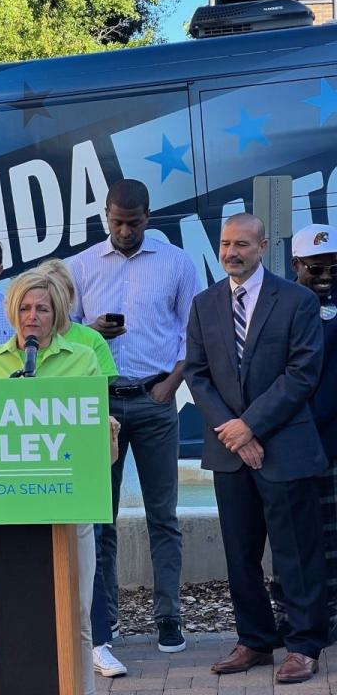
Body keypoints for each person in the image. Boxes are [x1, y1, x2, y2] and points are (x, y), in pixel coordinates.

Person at [183, 213, 329, 684]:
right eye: (226, 243)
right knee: (240, 553)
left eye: (242, 244)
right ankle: (254, 641)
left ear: (264, 246)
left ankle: (305, 645)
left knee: (297, 551)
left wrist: (250, 426)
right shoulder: (204, 304)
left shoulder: (297, 300)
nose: (231, 252)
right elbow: (197, 374)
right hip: (229, 449)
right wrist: (233, 430)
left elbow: (302, 374)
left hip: (284, 446)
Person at [68, 178, 200, 652]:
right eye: (117, 221)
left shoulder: (177, 263)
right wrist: (92, 331)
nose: (125, 230)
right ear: (106, 215)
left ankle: (169, 617)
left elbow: (194, 333)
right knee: (99, 518)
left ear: (149, 215)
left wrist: (171, 386)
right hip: (98, 404)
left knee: (162, 515)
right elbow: (65, 335)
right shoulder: (80, 266)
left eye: (134, 221)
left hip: (155, 399)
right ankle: (106, 621)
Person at [0, 270, 109, 695]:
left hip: (69, 506)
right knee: (9, 615)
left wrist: (106, 430)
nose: (33, 317)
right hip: (6, 512)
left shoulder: (83, 359)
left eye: (43, 309)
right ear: (13, 312)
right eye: (25, 308)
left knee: (77, 615)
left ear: (57, 314)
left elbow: (94, 439)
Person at [35, 258, 126, 679]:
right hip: (33, 479)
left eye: (55, 293)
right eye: (36, 296)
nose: (42, 305)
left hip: (79, 470)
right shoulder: (15, 354)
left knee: (95, 552)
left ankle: (99, 641)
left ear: (67, 298)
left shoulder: (90, 344)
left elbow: (97, 405)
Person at [290, 224, 337, 643]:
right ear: (296, 265)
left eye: (334, 268)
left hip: (332, 440)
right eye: (316, 268)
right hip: (290, 440)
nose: (325, 277)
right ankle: (298, 614)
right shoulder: (280, 304)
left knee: (332, 535)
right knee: (297, 536)